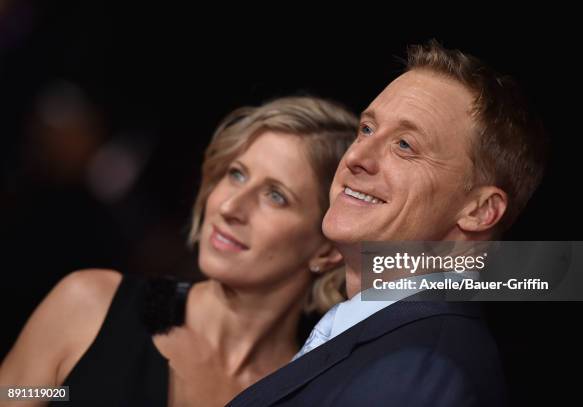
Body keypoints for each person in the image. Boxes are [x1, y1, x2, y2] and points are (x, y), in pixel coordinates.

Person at [228, 41, 548, 407]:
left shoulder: (423, 371)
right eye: (366, 129)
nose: (357, 157)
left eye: (405, 145)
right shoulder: (391, 342)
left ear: (480, 211)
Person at [0, 96, 359, 406]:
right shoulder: (90, 306)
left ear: (327, 251)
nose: (231, 206)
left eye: (275, 195)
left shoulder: (308, 393)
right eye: (236, 174)